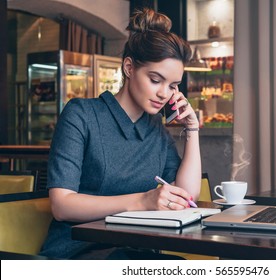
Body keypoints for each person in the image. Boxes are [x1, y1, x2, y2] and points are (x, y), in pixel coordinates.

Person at [40, 8, 201, 259]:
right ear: (129, 67)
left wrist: (192, 129)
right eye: (155, 79)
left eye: (172, 85)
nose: (164, 94)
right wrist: (143, 201)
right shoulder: (81, 114)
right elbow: (62, 205)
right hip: (80, 251)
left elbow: (187, 195)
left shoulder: (155, 128)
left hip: (135, 249)